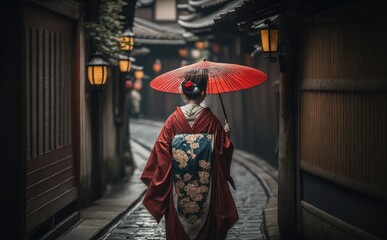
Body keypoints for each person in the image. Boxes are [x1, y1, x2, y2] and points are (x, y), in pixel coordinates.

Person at [140, 72, 238, 240]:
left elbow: (162, 153)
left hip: (178, 189)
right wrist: (226, 136)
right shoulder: (212, 121)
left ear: (182, 94)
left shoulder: (172, 121)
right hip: (208, 189)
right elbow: (221, 154)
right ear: (203, 94)